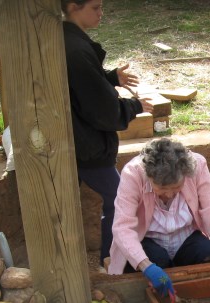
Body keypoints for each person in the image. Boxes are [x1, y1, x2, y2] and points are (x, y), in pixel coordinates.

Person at [61, 0, 153, 266]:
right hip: (84, 143)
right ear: (72, 6)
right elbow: (101, 109)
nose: (101, 13)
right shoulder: (76, 49)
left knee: (68, 204)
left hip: (73, 139)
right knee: (120, 198)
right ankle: (111, 259)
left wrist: (110, 78)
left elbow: (81, 84)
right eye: (95, 7)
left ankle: (93, 258)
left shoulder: (67, 39)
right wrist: (135, 106)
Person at [108, 138, 210, 302]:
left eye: (176, 188)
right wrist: (146, 266)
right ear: (149, 177)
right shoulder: (133, 173)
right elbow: (122, 228)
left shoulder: (197, 166)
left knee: (206, 253)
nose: (169, 194)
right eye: (162, 189)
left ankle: (192, 296)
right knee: (157, 262)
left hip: (185, 236)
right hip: (148, 238)